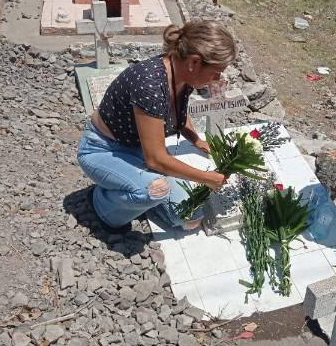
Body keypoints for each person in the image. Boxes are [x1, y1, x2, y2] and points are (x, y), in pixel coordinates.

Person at [76, 20, 237, 231]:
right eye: (217, 71)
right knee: (154, 191)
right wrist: (207, 178)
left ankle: (139, 196)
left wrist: (196, 140)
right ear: (195, 62)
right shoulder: (149, 84)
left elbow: (177, 110)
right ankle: (101, 203)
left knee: (190, 219)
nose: (218, 78)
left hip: (139, 149)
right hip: (104, 150)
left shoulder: (182, 74)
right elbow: (155, 159)